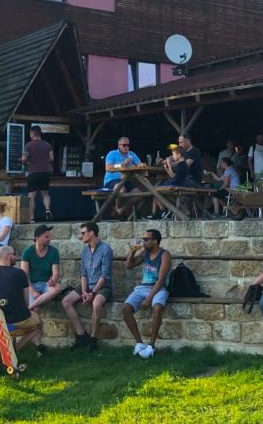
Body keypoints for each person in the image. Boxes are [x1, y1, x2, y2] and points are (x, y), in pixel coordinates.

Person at [0, 246, 43, 353]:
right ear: (7, 257)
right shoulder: (20, 273)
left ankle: (9, 349)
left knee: (24, 322)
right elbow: (26, 302)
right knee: (38, 324)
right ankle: (15, 349)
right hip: (19, 318)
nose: (15, 257)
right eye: (14, 254)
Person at [61, 221, 113, 351]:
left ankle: (93, 339)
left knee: (96, 304)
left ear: (92, 233)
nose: (81, 236)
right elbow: (83, 273)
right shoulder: (85, 251)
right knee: (66, 301)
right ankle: (81, 334)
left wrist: (93, 293)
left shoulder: (106, 249)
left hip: (102, 286)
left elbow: (105, 275)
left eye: (83, 233)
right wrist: (84, 291)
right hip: (87, 285)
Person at [122, 228, 172, 359]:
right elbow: (128, 266)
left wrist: (149, 299)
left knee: (157, 308)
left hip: (158, 288)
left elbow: (161, 280)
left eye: (146, 239)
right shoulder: (145, 253)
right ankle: (139, 344)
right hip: (143, 287)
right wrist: (132, 252)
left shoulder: (165, 255)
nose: (143, 241)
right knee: (126, 308)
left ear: (155, 241)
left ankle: (151, 346)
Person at [19, 224, 63, 314]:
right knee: (36, 310)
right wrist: (34, 292)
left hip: (46, 284)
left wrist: (53, 281)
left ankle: (30, 307)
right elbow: (24, 276)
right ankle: (34, 310)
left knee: (57, 288)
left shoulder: (54, 251)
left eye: (49, 236)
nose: (49, 239)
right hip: (31, 285)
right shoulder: (27, 252)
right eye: (46, 237)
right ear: (38, 238)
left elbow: (56, 273)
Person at [20, 126, 54, 221]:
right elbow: (52, 158)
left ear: (32, 134)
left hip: (33, 173)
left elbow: (24, 158)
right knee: (45, 194)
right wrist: (44, 161)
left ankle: (31, 217)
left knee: (31, 196)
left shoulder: (29, 145)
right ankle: (47, 210)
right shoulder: (47, 145)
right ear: (40, 134)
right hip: (45, 173)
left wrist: (24, 161)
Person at [103, 136, 142, 216]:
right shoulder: (112, 154)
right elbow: (108, 168)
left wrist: (138, 165)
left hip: (126, 180)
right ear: (119, 145)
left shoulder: (131, 154)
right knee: (120, 188)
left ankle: (121, 209)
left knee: (139, 194)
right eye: (124, 145)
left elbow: (140, 165)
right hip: (112, 180)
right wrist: (122, 164)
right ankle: (117, 208)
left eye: (128, 145)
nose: (126, 147)